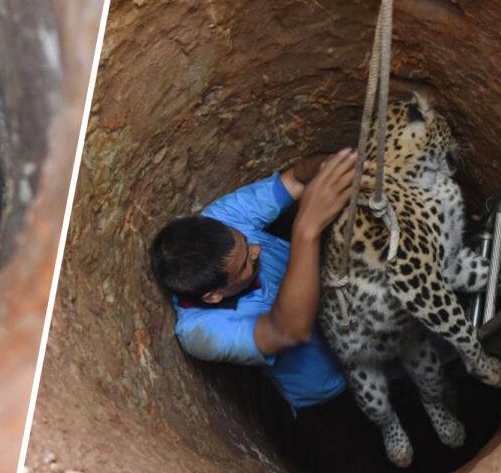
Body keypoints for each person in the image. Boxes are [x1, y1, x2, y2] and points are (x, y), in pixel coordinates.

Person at [149, 148, 358, 412]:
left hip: (362, 331)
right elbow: (289, 331)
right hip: (332, 386)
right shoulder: (201, 332)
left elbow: (294, 180)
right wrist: (306, 230)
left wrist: (329, 166)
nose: (256, 251)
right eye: (245, 263)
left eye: (246, 242)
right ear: (214, 295)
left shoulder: (220, 219)